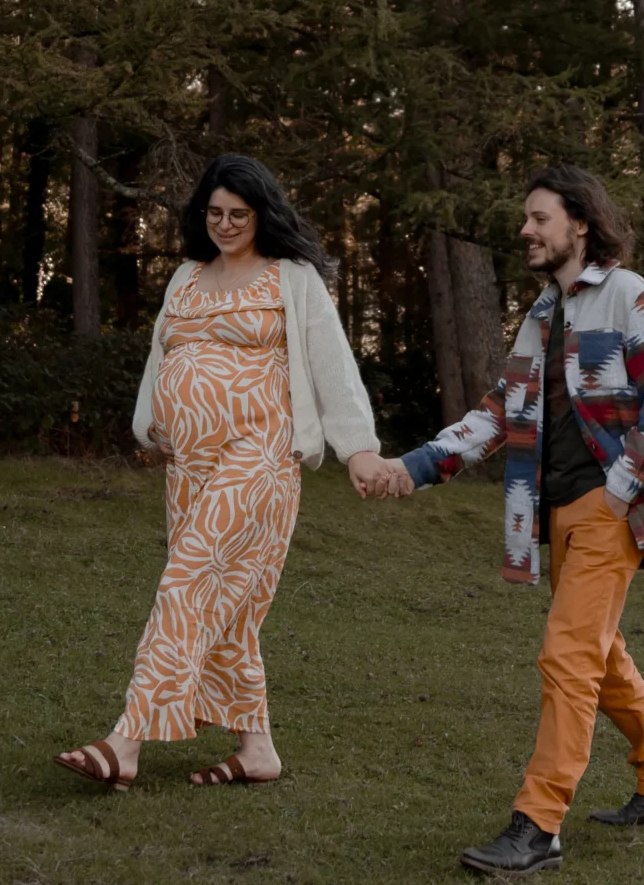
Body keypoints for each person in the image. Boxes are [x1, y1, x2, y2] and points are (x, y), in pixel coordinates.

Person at [374, 165, 644, 876]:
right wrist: (415, 465)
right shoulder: (545, 315)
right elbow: (499, 413)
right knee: (598, 655)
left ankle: (538, 824)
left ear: (580, 222)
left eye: (539, 217)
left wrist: (621, 487)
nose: (526, 229)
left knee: (568, 654)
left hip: (613, 510)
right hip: (557, 514)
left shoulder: (630, 296)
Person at [54, 153, 407, 791]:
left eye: (238, 214)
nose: (224, 224)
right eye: (214, 213)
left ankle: (125, 741)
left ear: (262, 214)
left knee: (188, 579)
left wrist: (358, 447)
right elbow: (163, 355)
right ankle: (258, 749)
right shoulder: (186, 276)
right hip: (188, 462)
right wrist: (151, 425)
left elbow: (332, 364)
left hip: (261, 453)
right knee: (229, 604)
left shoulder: (291, 277)